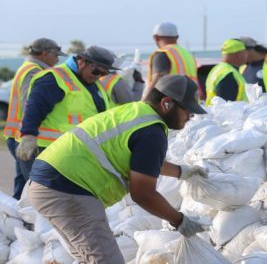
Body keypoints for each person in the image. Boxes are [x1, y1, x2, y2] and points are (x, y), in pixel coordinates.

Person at [28, 75, 208, 263]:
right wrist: (179, 220)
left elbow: (144, 163)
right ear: (167, 103)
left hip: (50, 182)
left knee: (88, 257)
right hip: (66, 189)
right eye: (187, 110)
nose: (190, 117)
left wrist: (182, 171)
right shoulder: (152, 131)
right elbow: (143, 194)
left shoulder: (137, 112)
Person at [15, 46, 116, 177]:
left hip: (74, 152)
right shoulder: (53, 78)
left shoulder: (94, 84)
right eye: (96, 71)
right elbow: (34, 108)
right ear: (81, 61)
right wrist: (28, 136)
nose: (98, 76)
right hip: (46, 151)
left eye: (104, 74)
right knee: (43, 196)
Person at [3, 38, 67, 199]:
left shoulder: (28, 67)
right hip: (24, 135)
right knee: (37, 188)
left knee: (24, 185)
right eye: (55, 55)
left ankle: (20, 221)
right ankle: (29, 222)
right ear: (44, 53)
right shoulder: (34, 72)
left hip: (17, 134)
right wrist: (29, 134)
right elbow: (29, 104)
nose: (58, 59)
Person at [144, 22, 199, 98]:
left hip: (171, 104)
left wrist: (144, 101)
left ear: (156, 38)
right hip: (191, 104)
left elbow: (157, 80)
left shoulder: (162, 53)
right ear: (177, 37)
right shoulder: (188, 55)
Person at [205, 39, 248, 105]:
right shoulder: (229, 74)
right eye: (245, 52)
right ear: (238, 54)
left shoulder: (216, 69)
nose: (247, 55)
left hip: (215, 113)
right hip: (230, 114)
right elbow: (226, 106)